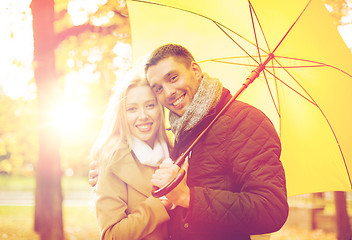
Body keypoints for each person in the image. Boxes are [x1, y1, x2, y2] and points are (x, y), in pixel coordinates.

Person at [90, 43, 289, 240]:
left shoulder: (245, 121)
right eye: (158, 88)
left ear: (195, 70)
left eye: (173, 78)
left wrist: (187, 197)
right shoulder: (183, 132)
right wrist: (109, 176)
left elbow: (271, 209)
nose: (168, 92)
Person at [90, 64, 173, 240]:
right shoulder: (113, 160)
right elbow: (112, 235)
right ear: (122, 115)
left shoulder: (177, 152)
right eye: (132, 109)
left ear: (160, 108)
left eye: (150, 105)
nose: (143, 115)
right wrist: (161, 203)